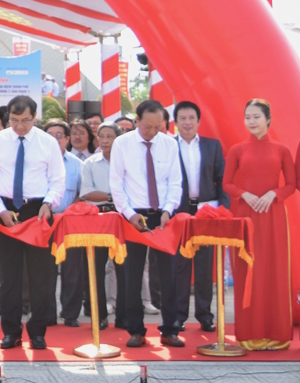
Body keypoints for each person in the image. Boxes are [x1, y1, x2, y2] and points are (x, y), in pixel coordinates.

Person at [0, 95, 64, 350]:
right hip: (6, 211)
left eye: (25, 121)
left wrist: (48, 204)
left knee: (41, 276)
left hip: (38, 212)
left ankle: (37, 331)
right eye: (14, 121)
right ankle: (11, 332)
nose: (19, 126)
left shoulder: (48, 142)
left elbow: (57, 179)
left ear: (35, 116)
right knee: (8, 277)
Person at [110, 99, 183, 348]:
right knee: (131, 275)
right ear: (136, 121)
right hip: (133, 216)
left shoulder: (170, 144)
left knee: (168, 275)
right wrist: (130, 215)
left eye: (157, 127)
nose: (152, 132)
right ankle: (136, 330)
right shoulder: (122, 144)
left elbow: (175, 181)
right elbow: (116, 185)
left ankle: (170, 329)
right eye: (147, 127)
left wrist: (168, 210)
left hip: (163, 216)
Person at [224, 99, 294, 350]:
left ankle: (277, 334)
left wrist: (273, 194)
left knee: (274, 271)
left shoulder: (282, 149)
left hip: (274, 215)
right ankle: (249, 334)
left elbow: (291, 184)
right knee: (247, 271)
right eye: (247, 117)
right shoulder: (237, 149)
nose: (251, 121)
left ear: (268, 119)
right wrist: (245, 194)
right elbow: (227, 184)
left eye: (256, 117)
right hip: (246, 215)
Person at [169, 101, 226, 332]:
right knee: (179, 266)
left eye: (191, 117)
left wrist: (223, 208)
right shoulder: (169, 146)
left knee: (204, 266)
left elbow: (221, 179)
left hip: (207, 212)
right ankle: (178, 316)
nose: (187, 122)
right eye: (182, 118)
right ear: (176, 122)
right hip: (179, 212)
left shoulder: (212, 146)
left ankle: (205, 315)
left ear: (199, 121)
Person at [79, 122, 119, 330]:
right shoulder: (90, 163)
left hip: (122, 217)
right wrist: (114, 196)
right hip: (97, 217)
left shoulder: (125, 162)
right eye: (101, 136)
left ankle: (124, 315)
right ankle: (99, 315)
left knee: (124, 268)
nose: (104, 140)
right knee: (95, 268)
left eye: (109, 136)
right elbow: (87, 193)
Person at [45, 120, 85, 328]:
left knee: (72, 270)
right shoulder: (37, 163)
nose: (54, 140)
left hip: (70, 222)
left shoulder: (78, 164)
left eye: (59, 135)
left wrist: (72, 211)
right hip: (45, 222)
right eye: (49, 135)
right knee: (45, 271)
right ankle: (47, 313)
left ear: (68, 139)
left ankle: (70, 313)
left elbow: (82, 193)